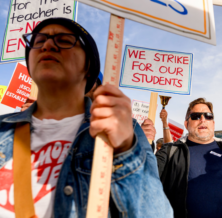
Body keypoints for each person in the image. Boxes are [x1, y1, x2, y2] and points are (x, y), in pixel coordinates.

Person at [0, 17, 172, 217]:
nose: (47, 45)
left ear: (88, 67)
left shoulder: (126, 131)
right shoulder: (4, 129)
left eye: (64, 40)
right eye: (38, 41)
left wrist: (126, 149)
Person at [156, 98, 222, 218]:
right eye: (196, 116)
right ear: (186, 124)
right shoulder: (170, 153)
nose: (203, 119)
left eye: (208, 116)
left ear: (213, 123)